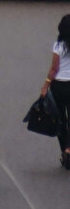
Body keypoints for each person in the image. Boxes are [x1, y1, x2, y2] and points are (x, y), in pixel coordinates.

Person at [40, 14, 70, 168]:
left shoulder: (58, 46)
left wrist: (45, 85)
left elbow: (54, 69)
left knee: (61, 121)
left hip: (58, 87)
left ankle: (65, 149)